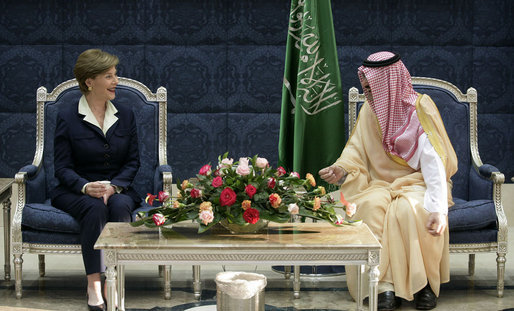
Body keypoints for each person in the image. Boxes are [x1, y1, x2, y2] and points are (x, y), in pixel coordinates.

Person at [319, 51, 457, 311]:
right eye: (366, 88)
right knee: (370, 208)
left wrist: (439, 209)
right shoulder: (370, 112)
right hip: (378, 184)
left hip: (419, 182)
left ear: (389, 83)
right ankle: (383, 287)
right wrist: (342, 168)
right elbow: (356, 151)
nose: (369, 95)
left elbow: (434, 162)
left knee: (411, 210)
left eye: (372, 88)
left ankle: (423, 284)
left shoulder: (420, 108)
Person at [51, 49, 140, 311]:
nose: (116, 81)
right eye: (109, 76)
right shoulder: (67, 116)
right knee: (93, 207)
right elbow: (62, 167)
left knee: (120, 205)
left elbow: (133, 162)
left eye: (115, 75)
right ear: (90, 81)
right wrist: (86, 186)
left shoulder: (126, 113)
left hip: (118, 186)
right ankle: (94, 285)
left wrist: (114, 186)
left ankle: (117, 277)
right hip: (76, 190)